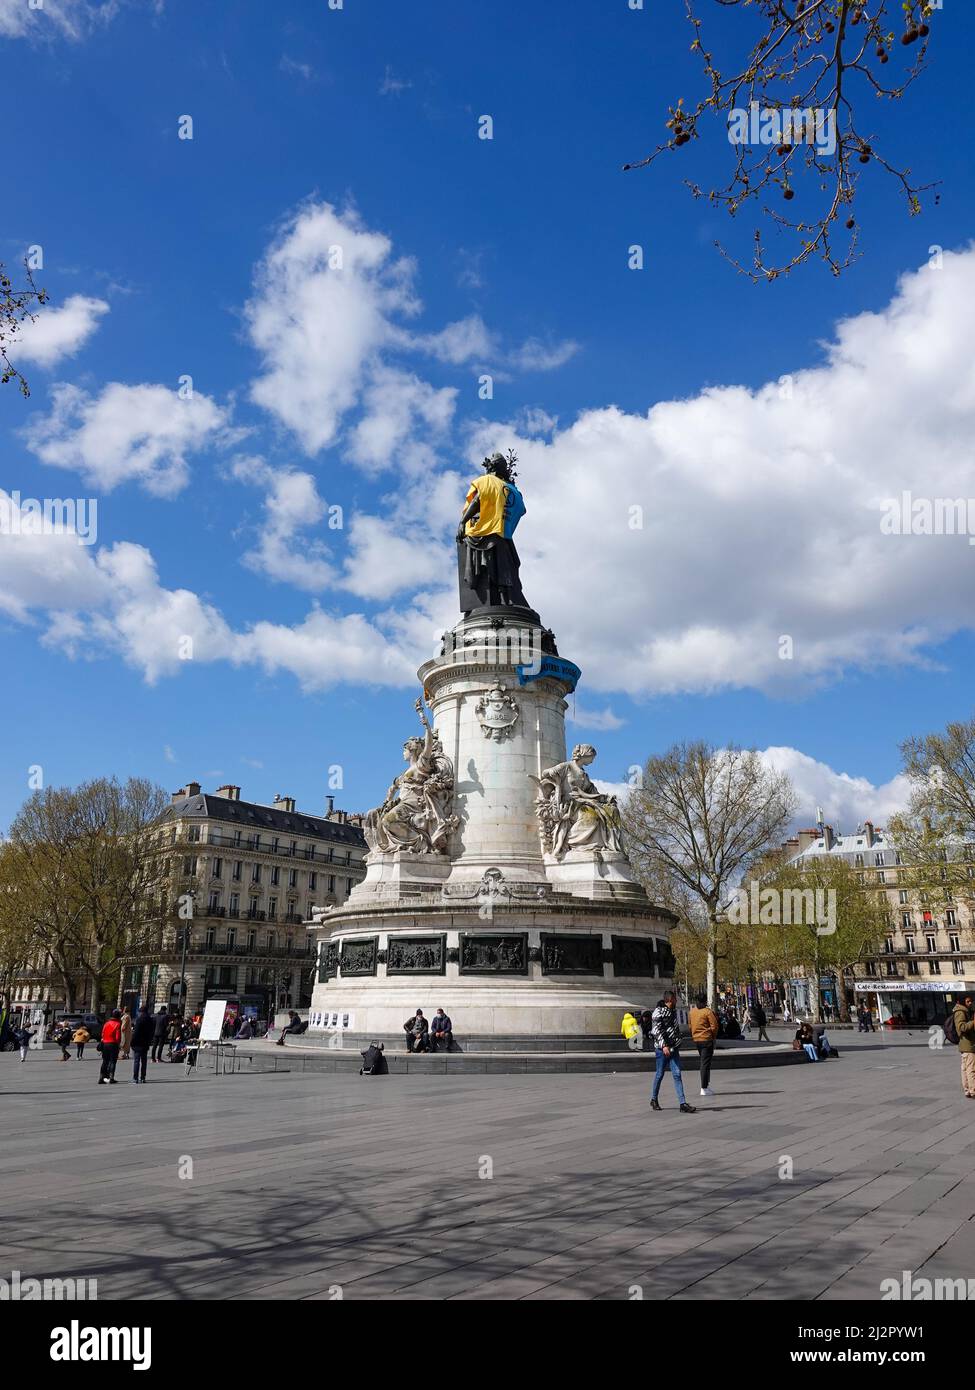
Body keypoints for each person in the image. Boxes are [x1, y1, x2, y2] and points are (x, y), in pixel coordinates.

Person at [456, 450, 531, 615]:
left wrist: (463, 521)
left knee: (492, 568)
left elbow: (477, 502)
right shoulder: (512, 490)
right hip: (503, 534)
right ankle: (507, 599)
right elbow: (522, 510)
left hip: (486, 532)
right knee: (505, 567)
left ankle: (503, 600)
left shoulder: (486, 481)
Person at [650, 990, 696, 1113]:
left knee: (677, 1074)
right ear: (671, 999)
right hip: (662, 1049)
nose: (676, 1001)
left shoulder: (672, 1011)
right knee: (659, 1074)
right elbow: (656, 1030)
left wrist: (677, 1040)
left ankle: (682, 1103)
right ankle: (654, 1099)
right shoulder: (658, 1012)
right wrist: (664, 1045)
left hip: (673, 1048)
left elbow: (673, 1028)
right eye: (675, 999)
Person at [689, 994, 719, 1098]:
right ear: (704, 1002)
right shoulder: (707, 1012)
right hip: (706, 1039)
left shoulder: (692, 1012)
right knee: (705, 1063)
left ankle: (706, 1085)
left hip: (697, 1039)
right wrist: (713, 1036)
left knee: (704, 1062)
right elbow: (714, 1025)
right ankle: (704, 1087)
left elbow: (690, 1025)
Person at [951, 994, 975, 1098]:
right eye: (968, 1001)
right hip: (968, 1044)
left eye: (971, 1001)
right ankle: (973, 1090)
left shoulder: (962, 1010)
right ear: (962, 1001)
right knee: (971, 1069)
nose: (970, 1003)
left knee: (965, 1069)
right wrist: (973, 1022)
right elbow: (961, 1027)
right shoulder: (960, 1012)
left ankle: (968, 1090)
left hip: (965, 1044)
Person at [130, 1005, 153, 1084]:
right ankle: (143, 1077)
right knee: (144, 1061)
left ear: (141, 1012)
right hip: (145, 1043)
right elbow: (151, 1032)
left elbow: (136, 1033)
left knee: (136, 1061)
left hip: (138, 1043)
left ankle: (135, 1078)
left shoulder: (139, 1020)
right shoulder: (150, 1020)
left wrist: (132, 1042)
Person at [98, 1009, 122, 1084]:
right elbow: (118, 1037)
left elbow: (102, 1034)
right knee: (113, 1061)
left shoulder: (106, 1023)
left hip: (105, 1044)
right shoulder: (118, 1024)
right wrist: (119, 1045)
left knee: (105, 1061)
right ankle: (111, 1077)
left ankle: (101, 1077)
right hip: (113, 1044)